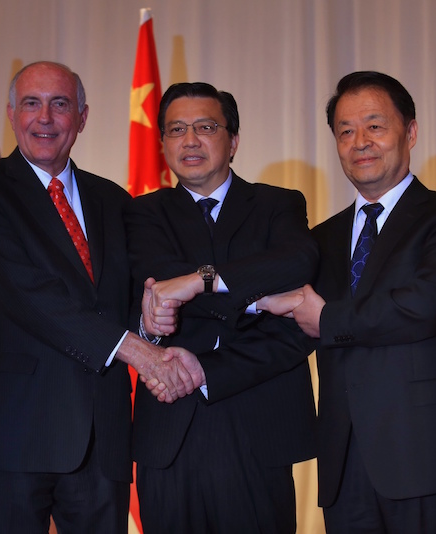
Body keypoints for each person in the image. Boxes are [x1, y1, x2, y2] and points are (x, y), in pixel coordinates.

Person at [0, 61, 201, 534]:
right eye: (31, 103)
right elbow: (27, 294)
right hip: (13, 434)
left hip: (101, 439)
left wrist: (152, 319)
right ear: (10, 113)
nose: (44, 117)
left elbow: (131, 299)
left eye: (59, 104)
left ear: (82, 117)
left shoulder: (115, 200)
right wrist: (138, 351)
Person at [261, 71, 436, 533]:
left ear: (411, 132)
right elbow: (285, 329)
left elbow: (425, 305)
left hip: (425, 461)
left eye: (375, 126)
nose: (359, 141)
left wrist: (327, 318)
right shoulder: (320, 239)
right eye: (345, 131)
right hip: (344, 465)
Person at [124, 82, 318, 533]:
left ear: (232, 140)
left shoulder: (278, 204)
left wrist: (197, 282)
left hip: (257, 422)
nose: (190, 140)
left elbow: (297, 264)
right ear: (163, 144)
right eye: (176, 129)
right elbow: (155, 277)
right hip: (170, 422)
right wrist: (263, 299)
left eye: (205, 127)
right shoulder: (140, 214)